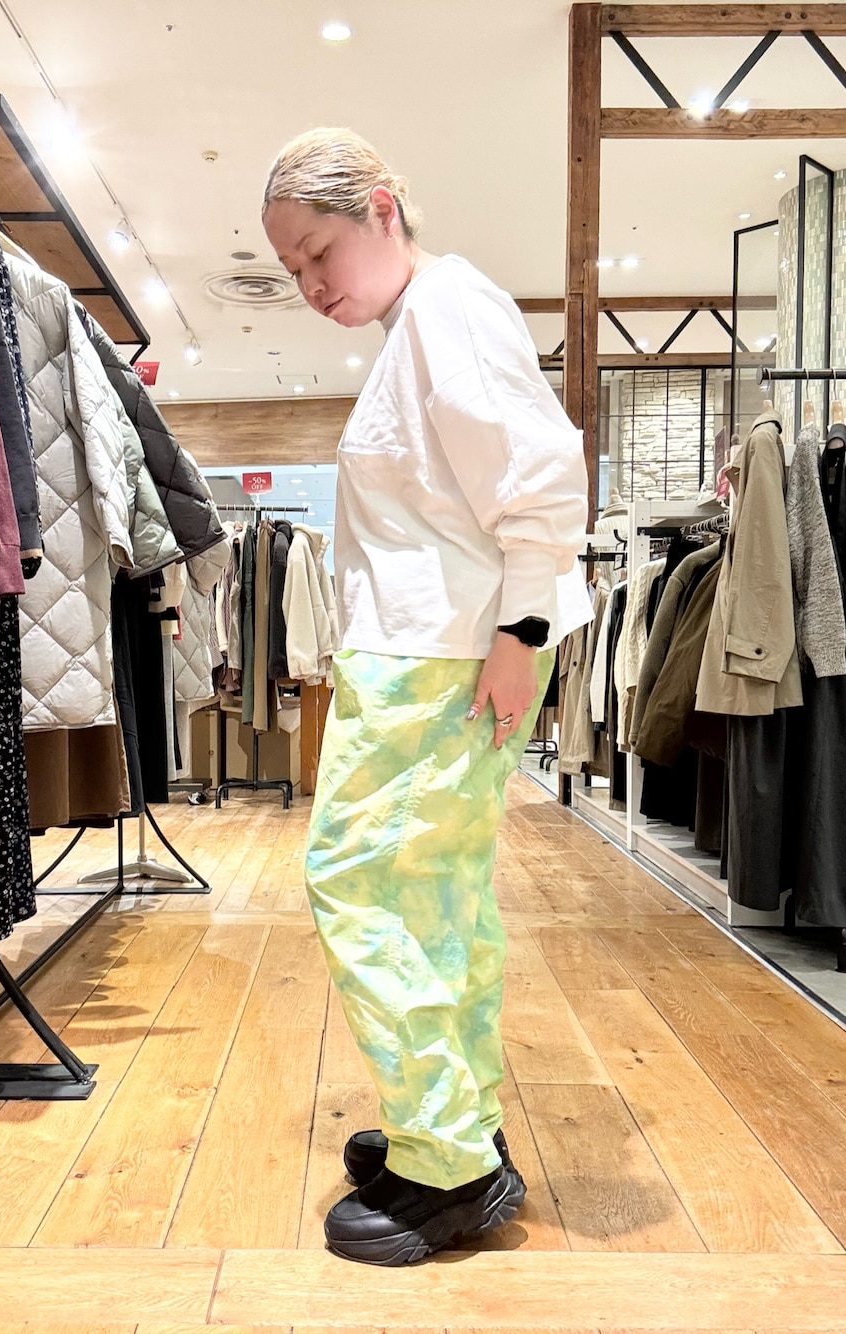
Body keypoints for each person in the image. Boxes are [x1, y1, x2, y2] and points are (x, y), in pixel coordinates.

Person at [262, 127, 591, 1266]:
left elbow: (538, 479)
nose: (310, 286)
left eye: (317, 253)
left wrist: (523, 632)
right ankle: (450, 1122)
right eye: (292, 271)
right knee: (433, 898)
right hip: (431, 652)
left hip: (441, 656)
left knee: (365, 884)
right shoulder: (424, 321)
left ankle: (447, 1163)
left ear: (382, 207)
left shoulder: (448, 311)